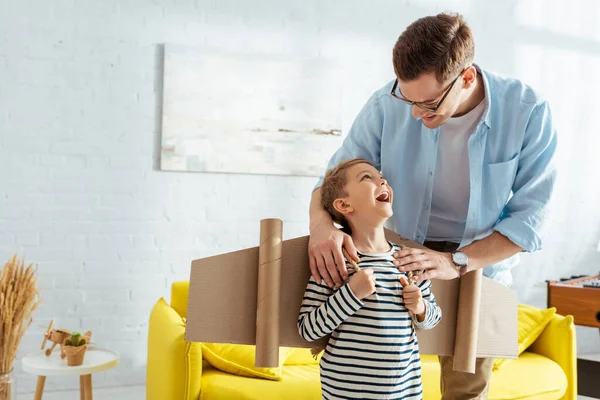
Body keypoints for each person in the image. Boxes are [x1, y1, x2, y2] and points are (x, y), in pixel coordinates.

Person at [307, 12, 557, 400]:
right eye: (406, 98)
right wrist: (321, 227)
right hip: (394, 255)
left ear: (467, 78)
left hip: (478, 265)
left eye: (427, 103)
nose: (413, 113)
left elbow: (530, 222)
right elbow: (332, 181)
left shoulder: (528, 112)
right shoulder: (385, 103)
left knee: (466, 391)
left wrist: (456, 262)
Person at [298, 158, 442, 400]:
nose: (382, 181)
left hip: (404, 393)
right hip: (344, 393)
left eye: (382, 178)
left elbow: (433, 319)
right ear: (344, 204)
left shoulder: (407, 261)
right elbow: (308, 330)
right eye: (367, 178)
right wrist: (351, 294)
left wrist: (420, 307)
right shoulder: (333, 260)